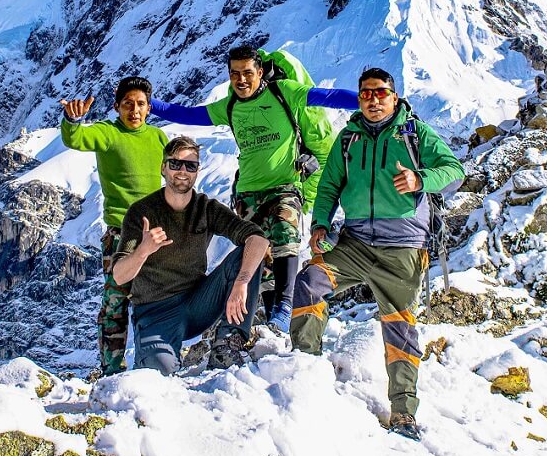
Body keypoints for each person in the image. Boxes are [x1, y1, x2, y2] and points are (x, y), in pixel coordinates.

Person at [290, 68, 465, 441]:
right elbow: (330, 185)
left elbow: (454, 171)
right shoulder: (348, 138)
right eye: (366, 94)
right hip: (354, 242)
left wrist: (420, 179)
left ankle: (403, 413)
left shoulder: (415, 134)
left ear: (395, 97)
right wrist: (320, 222)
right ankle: (304, 370)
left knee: (399, 326)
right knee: (310, 282)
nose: (373, 100)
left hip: (402, 248)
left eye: (380, 93)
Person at [148, 45, 357, 334]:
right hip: (247, 193)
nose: (242, 80)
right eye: (235, 74)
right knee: (259, 254)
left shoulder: (284, 91)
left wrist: (373, 99)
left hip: (285, 185)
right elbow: (189, 115)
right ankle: (274, 316)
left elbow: (329, 97)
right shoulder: (230, 106)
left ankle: (285, 306)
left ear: (260, 72)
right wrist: (151, 104)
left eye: (248, 73)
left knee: (286, 230)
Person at [113, 136, 271, 373]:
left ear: (197, 171)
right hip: (155, 311)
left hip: (198, 302)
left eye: (191, 165)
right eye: (175, 164)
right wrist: (143, 250)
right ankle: (161, 356)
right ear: (163, 168)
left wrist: (241, 282)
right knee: (158, 373)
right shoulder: (142, 212)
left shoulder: (205, 208)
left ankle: (227, 345)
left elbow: (257, 238)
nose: (182, 171)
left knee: (248, 255)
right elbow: (119, 276)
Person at [60, 76, 169, 377]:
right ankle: (111, 369)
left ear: (149, 108)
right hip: (121, 234)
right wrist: (72, 119)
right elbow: (76, 139)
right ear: (117, 107)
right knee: (116, 302)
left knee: (154, 299)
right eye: (128, 104)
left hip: (155, 235)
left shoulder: (158, 139)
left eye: (140, 105)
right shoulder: (108, 133)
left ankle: (152, 365)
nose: (134, 110)